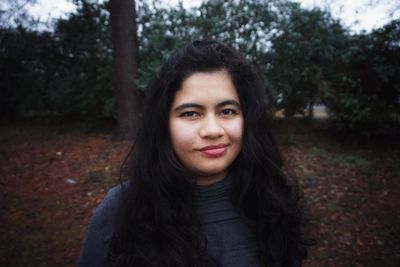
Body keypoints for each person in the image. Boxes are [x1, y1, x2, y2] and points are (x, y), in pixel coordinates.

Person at [78, 40, 308, 267]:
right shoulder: (120, 211)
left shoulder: (274, 202)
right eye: (190, 113)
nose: (212, 130)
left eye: (227, 111)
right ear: (163, 124)